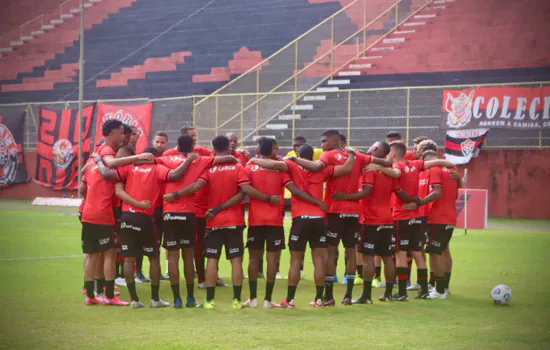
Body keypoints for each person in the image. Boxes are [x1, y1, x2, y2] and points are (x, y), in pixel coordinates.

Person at [165, 135, 276, 309]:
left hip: (213, 220)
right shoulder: (238, 167)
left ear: (213, 149)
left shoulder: (209, 169)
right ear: (229, 148)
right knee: (236, 260)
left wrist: (175, 195)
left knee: (211, 260)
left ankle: (209, 301)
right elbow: (243, 192)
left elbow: (196, 186)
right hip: (234, 220)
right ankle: (237, 300)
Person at [286, 129, 391, 306]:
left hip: (334, 209)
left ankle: (328, 296)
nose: (322, 145)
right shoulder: (357, 155)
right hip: (354, 212)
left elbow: (317, 167)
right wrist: (379, 165)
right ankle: (348, 296)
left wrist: (292, 159)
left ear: (335, 141)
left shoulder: (328, 156)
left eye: (324, 141)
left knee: (330, 252)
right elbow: (386, 162)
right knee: (351, 252)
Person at [249, 143, 355, 307]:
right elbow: (346, 170)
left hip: (300, 219)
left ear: (298, 154)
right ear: (313, 157)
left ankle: (290, 300)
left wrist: (254, 160)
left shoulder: (292, 164)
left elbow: (272, 164)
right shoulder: (322, 169)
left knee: (295, 261)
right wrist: (352, 154)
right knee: (319, 260)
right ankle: (320, 299)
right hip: (319, 219)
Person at [102, 146, 194, 309]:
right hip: (145, 218)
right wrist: (189, 160)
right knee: (153, 258)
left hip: (126, 218)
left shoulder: (129, 168)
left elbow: (111, 179)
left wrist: (97, 160)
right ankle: (155, 299)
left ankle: (135, 300)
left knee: (129, 259)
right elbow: (175, 175)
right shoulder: (158, 168)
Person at [244, 137, 327, 309]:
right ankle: (316, 299)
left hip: (264, 219)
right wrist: (318, 202)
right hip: (304, 218)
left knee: (264, 259)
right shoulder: (318, 169)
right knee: (317, 260)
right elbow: (293, 188)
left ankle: (281, 299)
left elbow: (245, 188)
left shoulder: (285, 166)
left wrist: (252, 159)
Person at [158, 135, 238, 308]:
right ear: (193, 146)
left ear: (176, 147)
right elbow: (230, 157)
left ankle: (176, 299)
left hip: (169, 213)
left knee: (172, 257)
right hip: (188, 213)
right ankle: (190, 298)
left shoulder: (164, 160)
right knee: (188, 256)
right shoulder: (200, 160)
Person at [80, 119, 153, 306]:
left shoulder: (93, 161)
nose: (124, 137)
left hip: (88, 212)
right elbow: (111, 166)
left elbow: (82, 188)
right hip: (103, 214)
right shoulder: (107, 153)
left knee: (91, 254)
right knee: (110, 254)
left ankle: (90, 295)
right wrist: (137, 158)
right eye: (121, 133)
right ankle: (110, 296)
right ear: (112, 133)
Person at [332, 141, 396, 303]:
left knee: (368, 257)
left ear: (374, 149)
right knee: (388, 257)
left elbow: (366, 192)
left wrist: (345, 196)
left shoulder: (369, 169)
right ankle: (388, 293)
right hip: (388, 218)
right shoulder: (389, 171)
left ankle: (366, 295)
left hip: (370, 219)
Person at [403, 150, 459, 299]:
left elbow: (437, 192)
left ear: (425, 160)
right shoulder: (452, 170)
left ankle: (439, 290)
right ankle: (444, 288)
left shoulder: (433, 169)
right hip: (450, 217)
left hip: (437, 217)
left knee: (435, 252)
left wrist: (419, 203)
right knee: (443, 250)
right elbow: (456, 194)